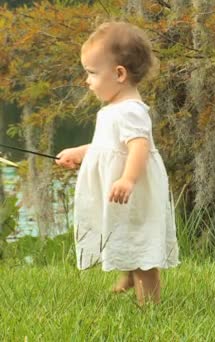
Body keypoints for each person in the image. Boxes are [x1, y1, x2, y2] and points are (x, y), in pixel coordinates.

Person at [56, 22, 179, 305]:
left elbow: (139, 146)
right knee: (120, 229)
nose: (87, 81)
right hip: (118, 190)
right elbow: (107, 146)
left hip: (132, 191)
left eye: (92, 73)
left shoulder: (131, 111)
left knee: (138, 239)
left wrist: (128, 180)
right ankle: (127, 272)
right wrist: (79, 152)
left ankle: (149, 305)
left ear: (119, 74)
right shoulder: (113, 109)